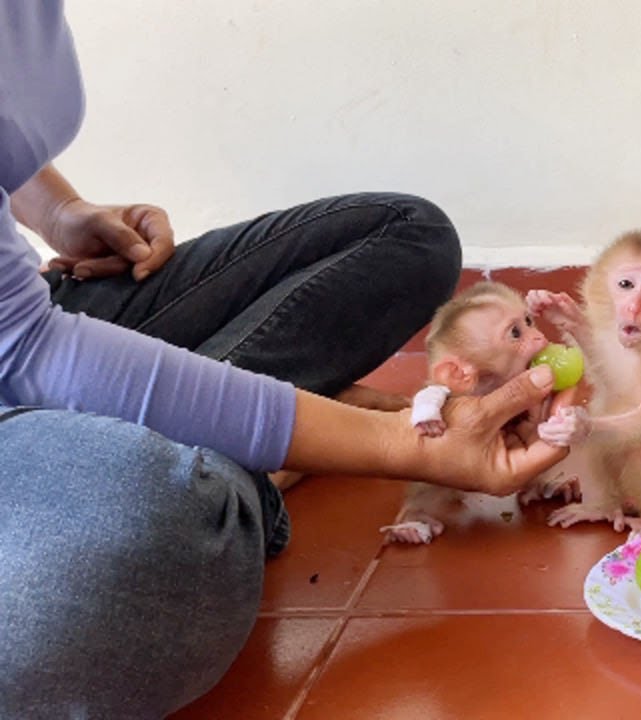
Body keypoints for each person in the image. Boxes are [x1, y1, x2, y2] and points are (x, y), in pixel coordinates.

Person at [0, 3, 567, 717]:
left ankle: (230, 440)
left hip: (30, 320)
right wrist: (400, 445)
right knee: (155, 537)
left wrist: (57, 212)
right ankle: (251, 460)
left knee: (407, 235)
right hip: (21, 360)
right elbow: (24, 346)